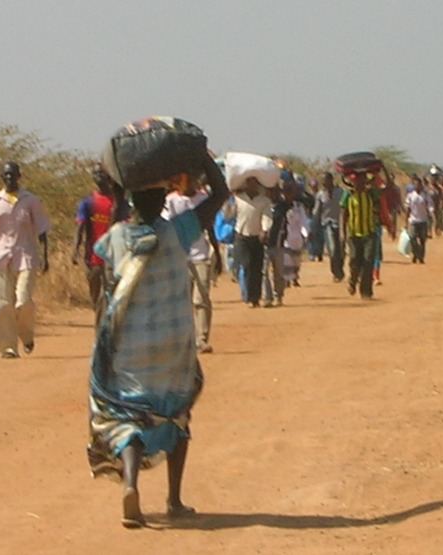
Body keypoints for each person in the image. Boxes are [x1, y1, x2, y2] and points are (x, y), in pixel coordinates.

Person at [87, 146, 228, 528]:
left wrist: (119, 189)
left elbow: (107, 286)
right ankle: (175, 500)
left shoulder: (115, 238)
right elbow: (219, 194)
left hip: (131, 348)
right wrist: (199, 157)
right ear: (164, 200)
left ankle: (130, 483)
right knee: (177, 415)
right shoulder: (178, 231)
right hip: (173, 346)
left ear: (129, 199)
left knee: (127, 418)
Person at [0, 161, 50, 359]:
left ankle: (26, 335)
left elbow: (42, 231)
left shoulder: (31, 201)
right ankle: (8, 347)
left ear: (19, 176)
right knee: (1, 304)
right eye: (6, 175)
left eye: (13, 174)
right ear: (2, 178)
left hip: (25, 256)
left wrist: (45, 257)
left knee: (24, 301)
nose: (10, 178)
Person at [162, 176, 220, 354]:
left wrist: (217, 252)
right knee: (182, 300)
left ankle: (201, 339)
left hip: (200, 255)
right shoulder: (170, 201)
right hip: (179, 256)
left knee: (201, 298)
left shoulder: (203, 200)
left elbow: (210, 228)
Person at [72, 163, 130, 326]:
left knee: (110, 293)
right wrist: (75, 249)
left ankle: (104, 329)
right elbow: (80, 227)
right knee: (96, 295)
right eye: (95, 174)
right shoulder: (87, 202)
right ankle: (101, 319)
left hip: (113, 257)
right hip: (93, 256)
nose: (99, 177)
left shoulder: (119, 202)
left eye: (102, 174)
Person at [340, 171, 392, 300]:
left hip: (370, 233)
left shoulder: (372, 193)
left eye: (363, 179)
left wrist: (383, 170)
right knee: (354, 260)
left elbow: (387, 189)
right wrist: (342, 232)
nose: (360, 182)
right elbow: (343, 214)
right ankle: (352, 281)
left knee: (368, 262)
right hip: (353, 234)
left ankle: (366, 291)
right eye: (358, 180)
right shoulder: (348, 194)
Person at [232, 177, 273, 307]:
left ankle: (255, 297)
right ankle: (249, 297)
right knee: (247, 264)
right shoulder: (238, 199)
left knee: (257, 268)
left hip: (257, 237)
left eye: (254, 183)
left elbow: (267, 217)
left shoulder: (264, 201)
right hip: (241, 236)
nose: (252, 185)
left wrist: (265, 230)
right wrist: (228, 199)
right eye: (249, 182)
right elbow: (228, 214)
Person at [312, 171, 345, 282]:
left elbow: (345, 208)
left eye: (325, 179)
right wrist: (313, 228)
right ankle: (336, 272)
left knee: (341, 249)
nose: (323, 182)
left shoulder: (340, 192)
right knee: (332, 249)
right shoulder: (320, 195)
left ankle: (340, 269)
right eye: (322, 180)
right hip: (327, 224)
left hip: (340, 224)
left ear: (331, 180)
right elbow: (317, 212)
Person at [404, 175, 434, 264]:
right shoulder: (410, 196)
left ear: (421, 185)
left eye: (418, 184)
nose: (417, 186)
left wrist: (431, 215)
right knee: (412, 238)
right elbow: (408, 209)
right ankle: (415, 254)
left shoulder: (425, 195)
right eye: (415, 184)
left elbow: (430, 207)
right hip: (413, 220)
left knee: (422, 240)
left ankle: (421, 257)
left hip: (423, 220)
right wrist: (406, 221)